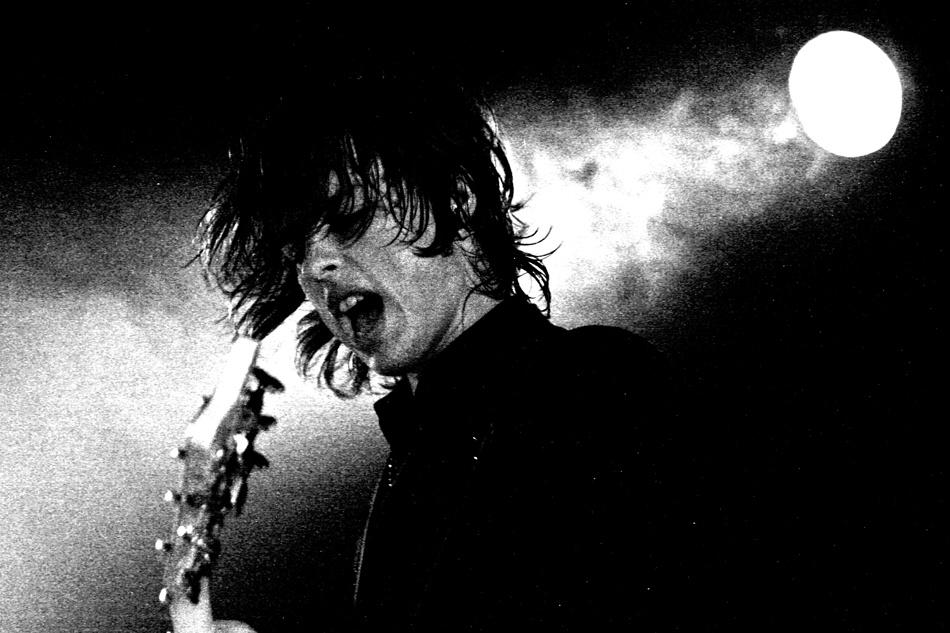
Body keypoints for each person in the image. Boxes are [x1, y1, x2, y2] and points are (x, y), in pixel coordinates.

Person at [195, 63, 701, 632]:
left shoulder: (593, 384)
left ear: (457, 198)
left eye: (347, 218)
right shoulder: (409, 466)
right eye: (296, 250)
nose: (317, 266)